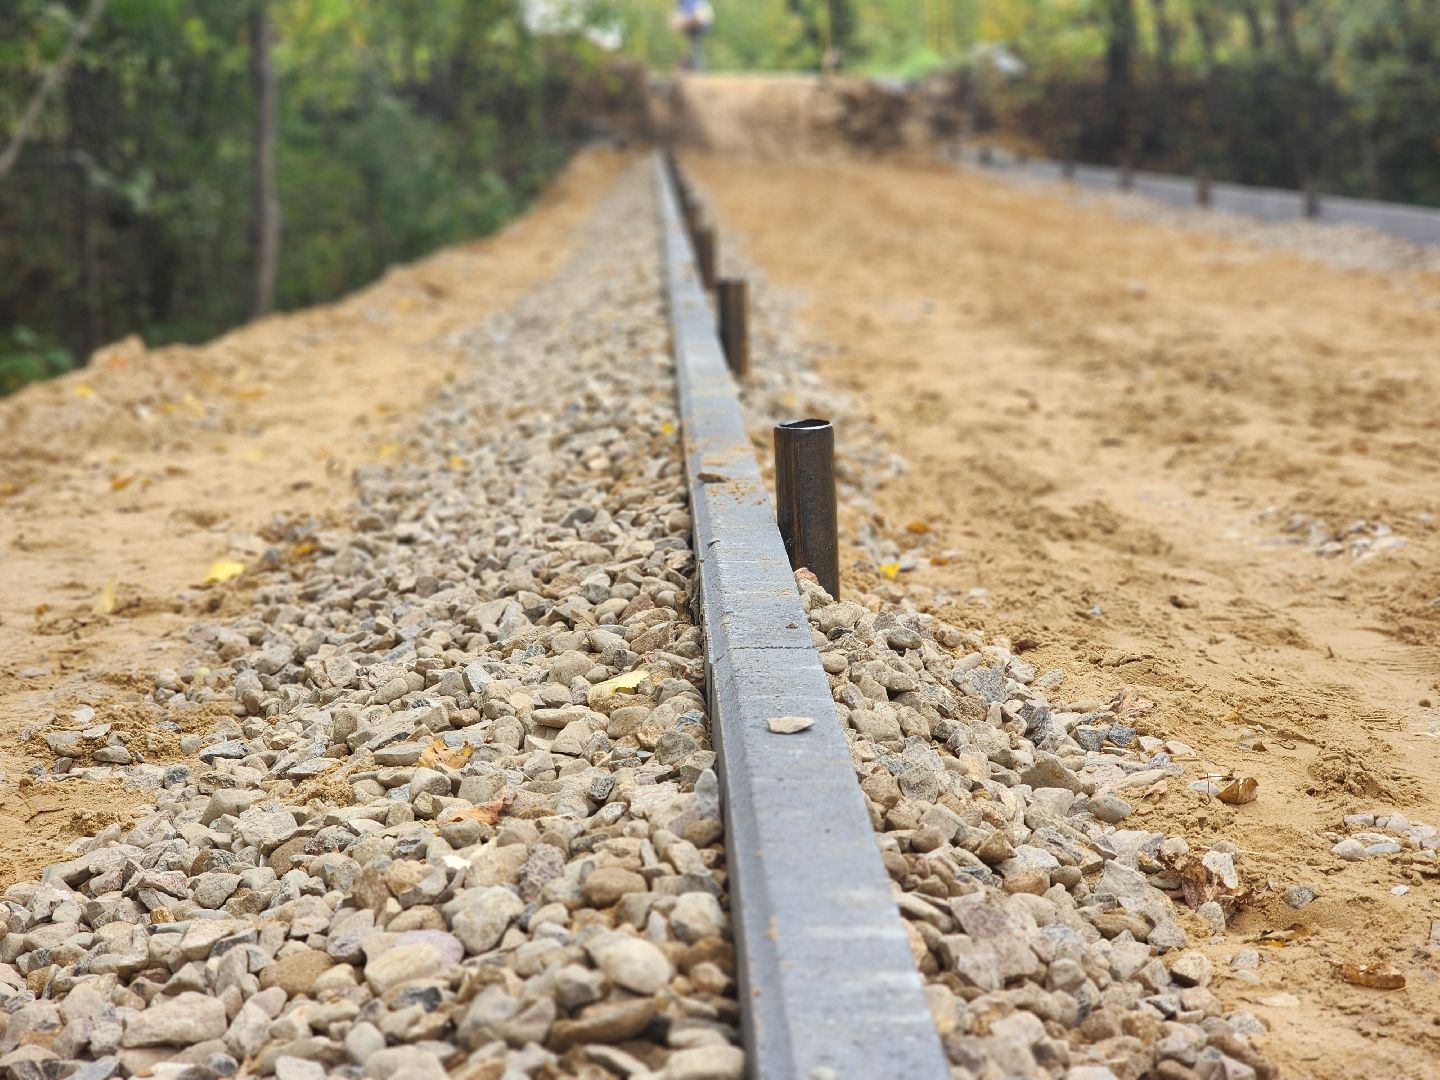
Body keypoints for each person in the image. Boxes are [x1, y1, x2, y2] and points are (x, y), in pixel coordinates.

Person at [674, 0, 713, 72]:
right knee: (693, 48)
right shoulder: (682, 3)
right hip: (693, 25)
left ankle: (698, 70)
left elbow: (697, 17)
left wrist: (684, 23)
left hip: (698, 24)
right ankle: (694, 68)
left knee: (695, 48)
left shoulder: (691, 2)